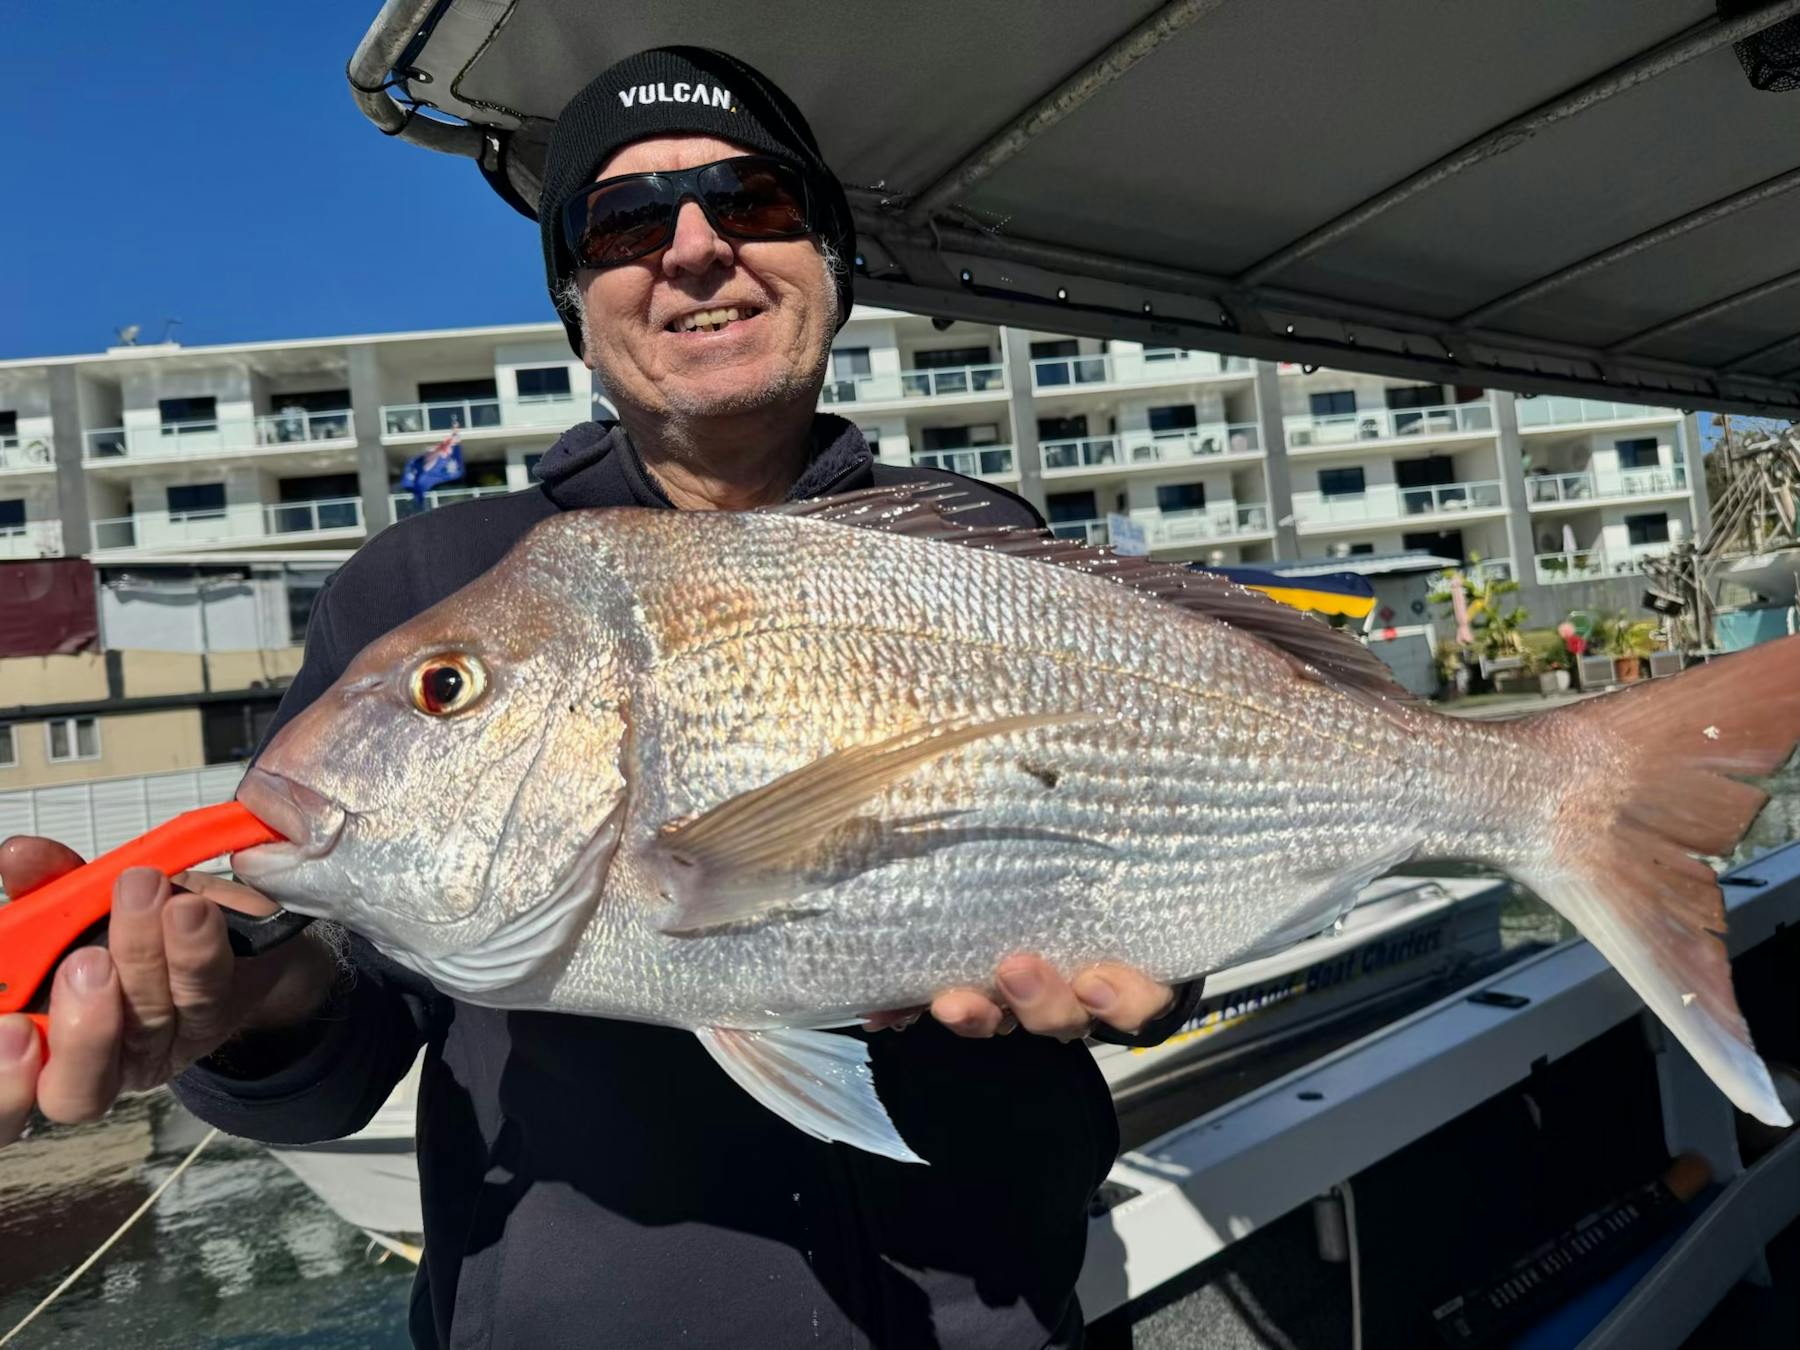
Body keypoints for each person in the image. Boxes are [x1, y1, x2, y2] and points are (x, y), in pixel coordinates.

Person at [0, 47, 1200, 1349]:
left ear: (831, 258)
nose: (694, 248)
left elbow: (1176, 835)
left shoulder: (977, 547)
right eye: (625, 221)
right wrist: (245, 1005)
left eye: (752, 199)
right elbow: (345, 1040)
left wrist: (1167, 957)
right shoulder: (429, 588)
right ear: (578, 302)